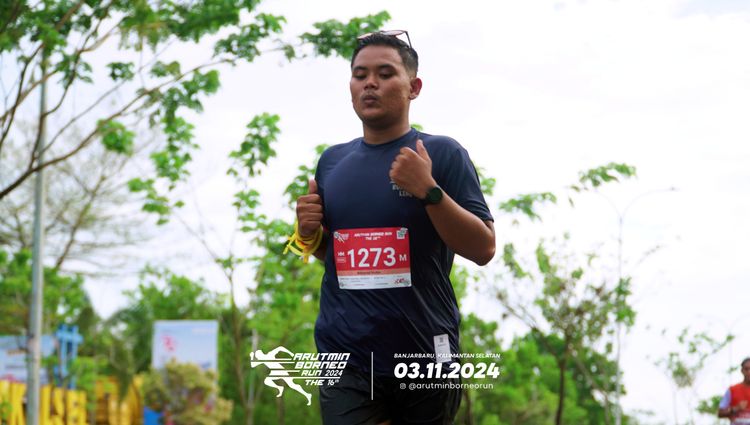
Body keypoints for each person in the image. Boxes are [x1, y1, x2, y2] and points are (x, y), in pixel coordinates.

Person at [290, 30, 495, 425]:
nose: (370, 83)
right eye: (360, 75)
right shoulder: (332, 162)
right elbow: (336, 256)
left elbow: (483, 248)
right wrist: (308, 233)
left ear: (413, 87)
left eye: (385, 74)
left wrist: (429, 191)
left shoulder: (441, 154)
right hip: (346, 356)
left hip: (423, 352)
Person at [719, 357, 750, 424]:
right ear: (742, 371)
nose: (749, 372)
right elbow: (720, 413)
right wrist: (735, 409)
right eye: (746, 369)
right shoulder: (732, 390)